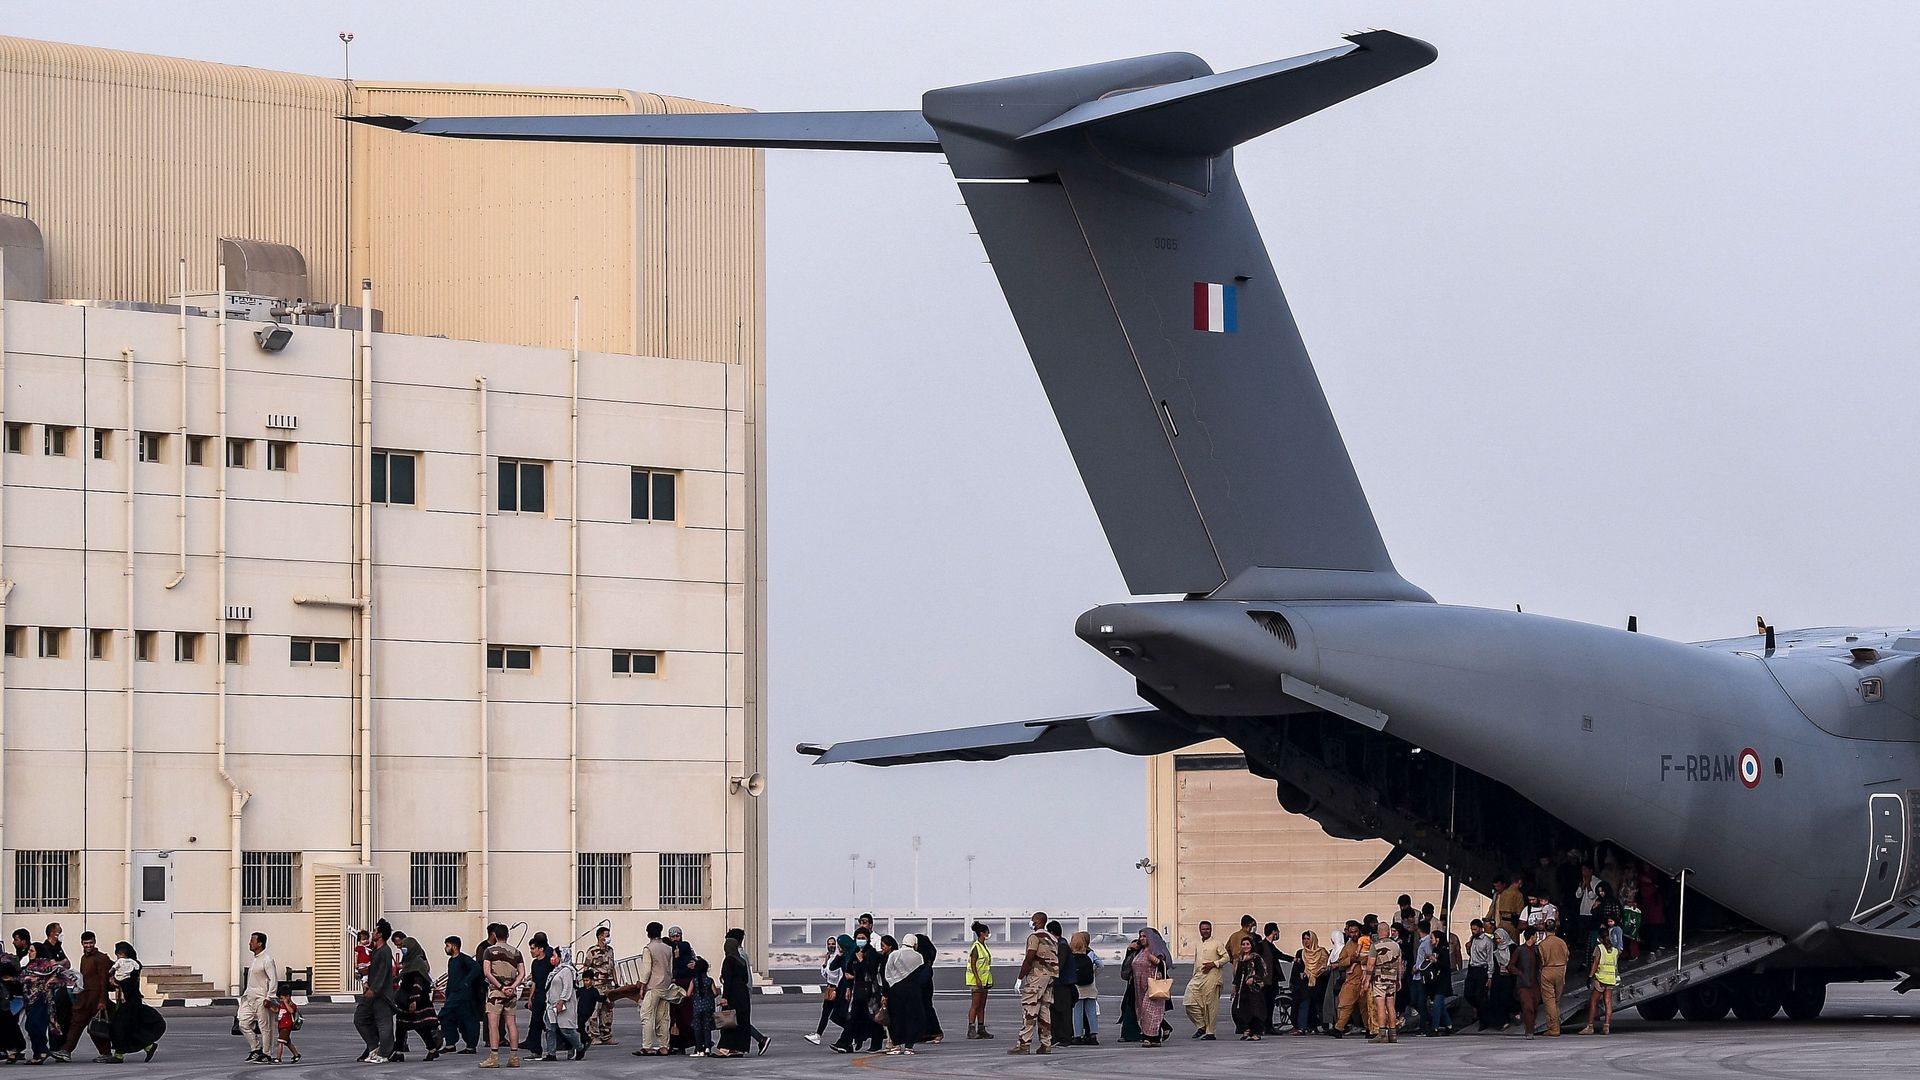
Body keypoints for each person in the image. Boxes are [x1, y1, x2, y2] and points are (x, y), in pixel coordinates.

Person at [54, 930, 113, 1063]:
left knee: (96, 1028)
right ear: (82, 943)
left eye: (90, 943)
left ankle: (106, 1053)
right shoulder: (84, 958)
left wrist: (102, 1000)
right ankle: (66, 1051)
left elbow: (104, 981)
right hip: (85, 998)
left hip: (97, 999)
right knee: (76, 1024)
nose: (88, 945)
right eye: (86, 943)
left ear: (95, 942)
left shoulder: (101, 958)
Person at [104, 943, 164, 1064]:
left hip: (130, 1003)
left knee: (118, 1027)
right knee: (128, 1028)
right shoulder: (126, 967)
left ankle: (119, 1055)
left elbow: (127, 984)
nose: (120, 958)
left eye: (121, 955)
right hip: (128, 1002)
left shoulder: (130, 968)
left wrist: (115, 982)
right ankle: (147, 1047)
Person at [1009, 912, 1058, 1055]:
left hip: (1036, 977)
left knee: (1029, 1009)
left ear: (1037, 921)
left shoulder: (1034, 937)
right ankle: (1046, 1044)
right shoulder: (1052, 938)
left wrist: (1020, 978)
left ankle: (1024, 1044)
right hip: (1050, 977)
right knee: (1044, 1010)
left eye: (1032, 920)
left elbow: (1029, 958)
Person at [479, 922, 525, 1069]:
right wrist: (512, 986)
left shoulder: (489, 951)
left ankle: (494, 1057)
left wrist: (501, 987)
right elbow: (522, 973)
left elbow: (487, 972)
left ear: (494, 935)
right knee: (511, 1024)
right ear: (508, 935)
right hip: (511, 993)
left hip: (495, 992)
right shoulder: (516, 952)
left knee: (493, 1025)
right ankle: (514, 1057)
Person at [713, 928, 764, 1058]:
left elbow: (728, 981)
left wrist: (725, 997)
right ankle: (739, 1049)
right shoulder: (741, 960)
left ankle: (725, 1049)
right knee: (741, 1022)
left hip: (733, 995)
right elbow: (746, 978)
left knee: (729, 1021)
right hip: (743, 994)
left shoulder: (729, 960)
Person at [831, 932, 883, 1055]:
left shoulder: (872, 953)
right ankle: (844, 1043)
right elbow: (849, 972)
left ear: (868, 939)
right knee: (853, 1017)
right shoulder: (854, 952)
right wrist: (848, 987)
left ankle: (877, 1042)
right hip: (858, 990)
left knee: (873, 1017)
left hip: (871, 991)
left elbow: (870, 971)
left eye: (862, 938)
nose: (860, 940)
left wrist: (861, 961)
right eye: (858, 938)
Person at [354, 924, 398, 1064]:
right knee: (360, 1018)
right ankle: (373, 1047)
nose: (372, 933)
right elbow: (371, 969)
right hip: (370, 992)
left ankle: (385, 1053)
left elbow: (383, 973)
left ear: (379, 935)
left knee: (384, 1024)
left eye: (374, 931)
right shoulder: (374, 950)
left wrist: (374, 989)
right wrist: (364, 977)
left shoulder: (385, 951)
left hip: (381, 995)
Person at [879, 933, 928, 1055]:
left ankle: (896, 1046)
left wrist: (885, 993)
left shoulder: (894, 954)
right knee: (912, 1017)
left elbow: (887, 974)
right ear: (914, 943)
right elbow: (921, 976)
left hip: (895, 990)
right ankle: (909, 1046)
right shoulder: (919, 957)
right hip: (913, 991)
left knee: (896, 1017)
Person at [632, 923, 674, 1057]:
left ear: (648, 933)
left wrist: (642, 985)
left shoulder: (648, 948)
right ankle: (664, 1046)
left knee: (647, 1016)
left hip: (653, 986)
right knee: (664, 1018)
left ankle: (647, 1046)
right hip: (666, 986)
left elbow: (647, 969)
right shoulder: (668, 948)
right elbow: (670, 968)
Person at [238, 932, 278, 1063]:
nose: (250, 943)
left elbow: (273, 979)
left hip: (262, 998)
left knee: (265, 1027)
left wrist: (270, 997)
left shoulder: (267, 960)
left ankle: (267, 1054)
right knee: (243, 1023)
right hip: (250, 998)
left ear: (260, 943)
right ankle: (256, 1048)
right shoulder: (255, 959)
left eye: (252, 941)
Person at [1185, 919, 1227, 1040]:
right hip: (1198, 977)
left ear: (1211, 930)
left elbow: (1226, 957)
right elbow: (1196, 961)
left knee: (1210, 1006)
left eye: (1207, 929)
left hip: (1212, 977)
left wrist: (1214, 964)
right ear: (1199, 930)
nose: (1205, 931)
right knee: (1189, 1001)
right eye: (1203, 929)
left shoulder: (1217, 943)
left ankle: (1210, 1032)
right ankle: (1201, 1026)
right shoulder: (1198, 944)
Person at [440, 936, 483, 1054]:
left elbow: (476, 968)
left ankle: (471, 1046)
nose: (445, 948)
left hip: (464, 997)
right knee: (447, 1017)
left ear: (454, 946)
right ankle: (450, 1043)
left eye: (447, 946)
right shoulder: (451, 961)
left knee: (468, 1020)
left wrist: (466, 981)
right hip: (453, 995)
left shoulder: (464, 959)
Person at [541, 946, 583, 1061]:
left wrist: (561, 1000)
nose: (552, 958)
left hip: (563, 1005)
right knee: (550, 1028)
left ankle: (579, 1047)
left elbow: (567, 988)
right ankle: (551, 1053)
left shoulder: (567, 971)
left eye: (554, 955)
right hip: (551, 1004)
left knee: (566, 1029)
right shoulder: (556, 971)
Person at [1130, 928, 1170, 1048]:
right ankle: (1153, 1038)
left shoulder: (1155, 950)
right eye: (1140, 936)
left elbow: (1163, 964)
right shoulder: (1140, 951)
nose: (1142, 939)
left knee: (1150, 1011)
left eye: (1145, 936)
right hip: (1139, 985)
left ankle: (1150, 1037)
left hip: (1153, 984)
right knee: (1142, 1010)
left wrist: (1156, 960)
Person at [21, 942, 58, 1062]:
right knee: (34, 1026)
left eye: (32, 951)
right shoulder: (29, 965)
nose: (29, 953)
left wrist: (48, 982)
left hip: (41, 998)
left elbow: (57, 974)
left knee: (32, 1024)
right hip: (29, 1000)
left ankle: (42, 1049)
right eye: (29, 951)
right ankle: (38, 1054)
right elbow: (22, 977)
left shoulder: (45, 965)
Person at [1580, 929, 1621, 1035]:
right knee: (1608, 1003)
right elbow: (1615, 965)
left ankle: (1590, 1026)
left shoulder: (1599, 948)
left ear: (1600, 938)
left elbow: (1595, 963)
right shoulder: (1615, 951)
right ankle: (1606, 1026)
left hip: (1600, 979)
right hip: (1611, 979)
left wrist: (1590, 976)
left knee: (1594, 1002)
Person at [580, 927, 616, 1046]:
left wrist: (616, 983)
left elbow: (613, 967)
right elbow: (586, 967)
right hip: (597, 984)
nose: (608, 937)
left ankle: (606, 1035)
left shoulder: (610, 950)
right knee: (595, 1011)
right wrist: (587, 983)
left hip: (608, 984)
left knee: (607, 1011)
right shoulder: (592, 951)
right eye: (606, 935)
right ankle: (594, 1035)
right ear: (600, 936)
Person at [806, 934, 843, 1045]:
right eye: (829, 944)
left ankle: (854, 1032)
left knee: (837, 1014)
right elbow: (825, 975)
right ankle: (818, 1035)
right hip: (829, 988)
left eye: (833, 944)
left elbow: (841, 976)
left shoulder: (838, 958)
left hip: (836, 989)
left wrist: (837, 990)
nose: (831, 946)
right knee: (826, 1013)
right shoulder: (830, 958)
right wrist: (825, 962)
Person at [1066, 931, 1102, 1044]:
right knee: (1091, 1012)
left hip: (1077, 987)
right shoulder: (1090, 954)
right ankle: (1093, 1035)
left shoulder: (1070, 956)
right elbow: (1101, 965)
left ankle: (1077, 1036)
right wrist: (1093, 973)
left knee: (1077, 1013)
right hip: (1090, 987)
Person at [1330, 927, 1367, 1036]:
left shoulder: (1366, 942)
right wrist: (1351, 959)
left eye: (1355, 931)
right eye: (1351, 932)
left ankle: (1370, 1029)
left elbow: (1370, 958)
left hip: (1365, 979)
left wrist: (1359, 958)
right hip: (1351, 980)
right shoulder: (1348, 946)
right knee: (1344, 1004)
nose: (1354, 934)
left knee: (1366, 1007)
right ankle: (1339, 1028)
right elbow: (1341, 961)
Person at [1366, 932, 1402, 1044]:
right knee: (1391, 1006)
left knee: (1380, 1006)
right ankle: (1393, 1033)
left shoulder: (1375, 945)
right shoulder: (1396, 945)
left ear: (1379, 932)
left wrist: (1367, 979)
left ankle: (1382, 1033)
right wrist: (1399, 979)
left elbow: (1371, 964)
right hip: (1392, 978)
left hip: (1380, 978)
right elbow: (1399, 963)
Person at [518, 934, 551, 1056]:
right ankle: (536, 1050)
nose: (531, 951)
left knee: (550, 1024)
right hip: (538, 996)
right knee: (535, 1024)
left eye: (533, 948)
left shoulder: (549, 962)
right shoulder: (535, 964)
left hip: (548, 996)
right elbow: (535, 982)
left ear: (541, 949)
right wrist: (530, 998)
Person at [1230, 936, 1268, 1040]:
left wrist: (1253, 978)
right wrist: (1235, 985)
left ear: (1251, 945)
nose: (1245, 946)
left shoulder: (1255, 957)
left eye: (1247, 944)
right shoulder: (1241, 958)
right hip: (1243, 989)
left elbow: (1262, 972)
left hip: (1253, 989)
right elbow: (1238, 974)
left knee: (1255, 1010)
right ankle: (1246, 1029)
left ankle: (1256, 1032)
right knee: (1241, 1010)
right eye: (1243, 944)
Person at [1046, 921, 1076, 1050]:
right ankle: (1057, 1036)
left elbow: (1059, 965)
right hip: (1058, 984)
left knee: (1064, 1012)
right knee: (1055, 1011)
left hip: (1063, 984)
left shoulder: (1062, 946)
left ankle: (1065, 1037)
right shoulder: (1059, 944)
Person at [1537, 920, 1569, 1037]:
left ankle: (1553, 1028)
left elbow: (1542, 961)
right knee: (1556, 1000)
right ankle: (1556, 1024)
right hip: (1560, 970)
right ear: (1555, 929)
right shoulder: (1562, 942)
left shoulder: (1542, 944)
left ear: (1545, 929)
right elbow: (1567, 957)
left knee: (1549, 1000)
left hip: (1548, 970)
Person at [1421, 924, 1453, 1035]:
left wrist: (1435, 961)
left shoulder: (1443, 950)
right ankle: (1449, 1025)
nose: (1430, 940)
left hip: (1442, 982)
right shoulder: (1435, 950)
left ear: (1438, 939)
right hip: (1435, 981)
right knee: (1440, 1005)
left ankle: (1434, 1027)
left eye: (1432, 938)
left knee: (1437, 1004)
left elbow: (1445, 965)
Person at [1293, 931, 1328, 1034]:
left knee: (1318, 1006)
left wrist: (1315, 972)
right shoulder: (1301, 953)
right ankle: (1302, 1027)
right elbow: (1298, 967)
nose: (1306, 941)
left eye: (1308, 939)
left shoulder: (1321, 952)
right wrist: (1302, 973)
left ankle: (1323, 1026)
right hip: (1305, 983)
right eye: (1304, 939)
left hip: (1318, 982)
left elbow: (1324, 966)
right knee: (1305, 1004)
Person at [1510, 926, 1541, 1038]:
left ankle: (1531, 1027)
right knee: (1528, 1007)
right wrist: (1519, 973)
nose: (1536, 937)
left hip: (1535, 984)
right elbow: (1511, 965)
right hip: (1523, 984)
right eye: (1535, 935)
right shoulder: (1520, 949)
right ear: (1531, 937)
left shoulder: (1536, 950)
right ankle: (1529, 1031)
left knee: (1535, 1006)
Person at [964, 922, 994, 1040]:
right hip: (976, 980)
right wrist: (977, 979)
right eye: (987, 932)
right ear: (982, 933)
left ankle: (981, 1028)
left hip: (985, 979)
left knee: (982, 1005)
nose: (988, 934)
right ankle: (971, 1029)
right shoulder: (976, 946)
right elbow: (973, 964)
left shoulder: (983, 946)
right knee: (975, 1005)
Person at [914, 933, 943, 1044]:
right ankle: (927, 1032)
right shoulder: (928, 959)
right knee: (927, 1007)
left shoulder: (921, 959)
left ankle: (932, 1031)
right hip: (927, 985)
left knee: (924, 1008)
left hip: (921, 985)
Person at [1257, 923, 1286, 1034]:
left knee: (1270, 1003)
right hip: (1266, 980)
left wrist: (1294, 959)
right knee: (1265, 1003)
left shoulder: (1271, 946)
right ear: (1273, 932)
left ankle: (1268, 1026)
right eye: (1277, 931)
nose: (1278, 933)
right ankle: (1265, 1026)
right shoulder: (1262, 945)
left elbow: (1280, 955)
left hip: (1272, 979)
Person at [687, 958, 717, 1056]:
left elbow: (688, 994)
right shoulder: (709, 980)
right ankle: (708, 1047)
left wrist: (694, 997)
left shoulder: (694, 981)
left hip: (697, 1006)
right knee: (707, 1027)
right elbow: (715, 992)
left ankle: (699, 1049)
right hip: (708, 1006)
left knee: (697, 1027)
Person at [271, 987, 301, 1064]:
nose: (281, 1000)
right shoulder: (281, 1005)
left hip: (286, 1026)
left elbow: (291, 1011)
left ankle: (278, 1058)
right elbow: (277, 1011)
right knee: (287, 1042)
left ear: (288, 997)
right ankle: (296, 1055)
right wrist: (270, 1006)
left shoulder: (292, 1005)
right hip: (281, 1026)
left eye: (282, 998)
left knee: (280, 1042)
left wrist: (286, 1003)